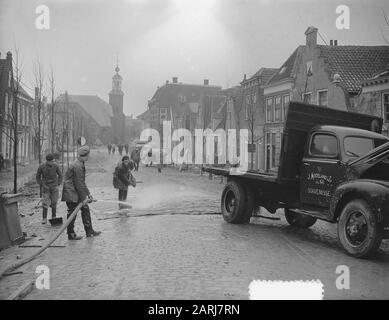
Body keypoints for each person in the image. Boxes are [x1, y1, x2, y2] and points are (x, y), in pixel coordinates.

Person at [61, 145, 101, 240]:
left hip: (76, 192)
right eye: (88, 155)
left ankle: (89, 231)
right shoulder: (78, 166)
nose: (88, 157)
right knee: (72, 214)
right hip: (71, 193)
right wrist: (84, 199)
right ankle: (71, 234)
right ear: (85, 155)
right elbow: (79, 184)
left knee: (85, 210)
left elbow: (82, 182)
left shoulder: (79, 163)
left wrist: (88, 194)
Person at [36, 154, 63, 224]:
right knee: (45, 203)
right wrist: (42, 184)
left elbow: (60, 175)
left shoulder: (56, 166)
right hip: (46, 187)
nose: (52, 162)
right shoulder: (41, 167)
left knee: (54, 202)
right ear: (47, 161)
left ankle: (54, 216)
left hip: (54, 187)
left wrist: (58, 183)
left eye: (53, 161)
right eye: (51, 161)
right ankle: (44, 218)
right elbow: (38, 177)